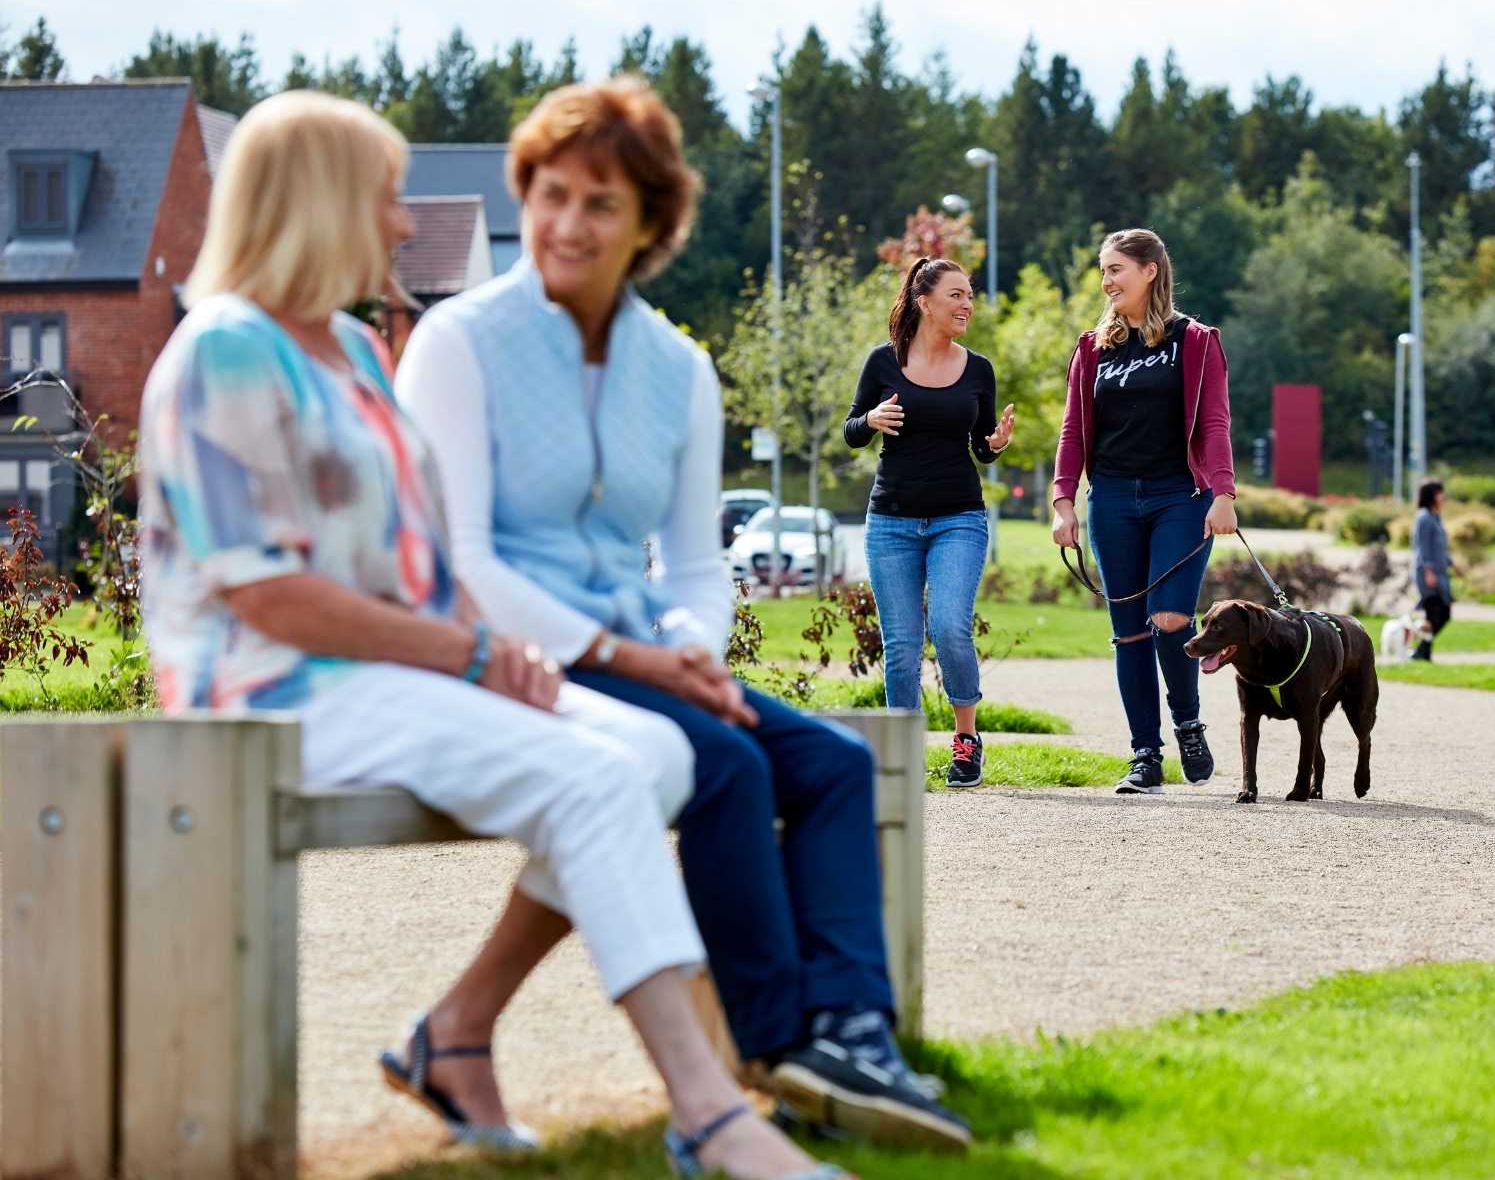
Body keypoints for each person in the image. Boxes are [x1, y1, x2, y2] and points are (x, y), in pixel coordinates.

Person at [137, 92, 842, 1179]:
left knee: (659, 753)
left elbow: (423, 557)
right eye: (381, 200)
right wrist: (468, 656)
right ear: (319, 204)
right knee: (600, 782)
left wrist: (495, 650)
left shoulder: (356, 354)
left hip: (387, 673)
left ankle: (457, 1031)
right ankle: (711, 1111)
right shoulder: (222, 350)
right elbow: (272, 600)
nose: (399, 224)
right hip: (275, 689)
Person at [395, 78, 970, 1153]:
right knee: (729, 767)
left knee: (834, 765)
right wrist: (644, 662)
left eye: (601, 205)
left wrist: (691, 653)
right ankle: (765, 1056)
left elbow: (697, 570)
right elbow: (460, 561)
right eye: (551, 194)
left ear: (650, 225)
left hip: (642, 657)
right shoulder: (459, 342)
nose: (567, 224)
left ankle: (852, 1031)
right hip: (502, 653)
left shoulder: (677, 368)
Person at [1049, 228, 1237, 795]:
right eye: (1103, 271)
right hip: (1110, 500)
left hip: (1180, 498)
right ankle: (1144, 756)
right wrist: (1063, 500)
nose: (1107, 281)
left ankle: (1187, 722)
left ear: (1150, 270)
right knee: (1129, 633)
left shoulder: (1196, 340)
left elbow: (1214, 422)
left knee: (1171, 618)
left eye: (1116, 269)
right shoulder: (1092, 347)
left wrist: (1223, 492)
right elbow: (1072, 429)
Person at [844, 258, 1014, 789]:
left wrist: (996, 444)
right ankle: (902, 752)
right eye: (957, 295)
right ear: (925, 302)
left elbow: (981, 444)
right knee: (900, 643)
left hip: (958, 517)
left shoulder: (978, 368)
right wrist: (870, 421)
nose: (967, 304)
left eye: (970, 295)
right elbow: (851, 430)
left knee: (948, 627)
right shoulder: (883, 362)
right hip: (891, 519)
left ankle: (966, 742)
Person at [1410, 479, 1458, 661]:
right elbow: (1422, 548)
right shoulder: (1423, 517)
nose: (1443, 496)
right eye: (1440, 492)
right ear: (1432, 495)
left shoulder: (1436, 517)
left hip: (1440, 573)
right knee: (1436, 613)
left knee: (1441, 614)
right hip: (1427, 574)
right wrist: (1428, 571)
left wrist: (1452, 564)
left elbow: (1439, 548)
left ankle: (1423, 651)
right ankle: (1422, 651)